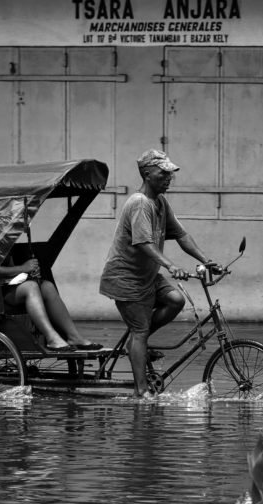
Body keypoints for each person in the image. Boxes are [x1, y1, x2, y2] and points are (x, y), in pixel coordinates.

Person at [100, 149, 219, 397]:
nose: (168, 178)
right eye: (163, 173)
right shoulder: (139, 203)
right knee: (140, 331)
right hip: (126, 278)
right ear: (147, 174)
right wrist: (171, 265)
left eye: (170, 174)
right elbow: (144, 243)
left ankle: (137, 343)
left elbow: (182, 235)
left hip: (148, 277)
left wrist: (206, 261)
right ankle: (141, 392)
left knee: (175, 300)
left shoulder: (161, 202)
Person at [0, 255, 102, 352]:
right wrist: (23, 268)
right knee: (31, 286)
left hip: (11, 283)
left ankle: (74, 336)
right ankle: (51, 338)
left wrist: (29, 272)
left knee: (47, 286)